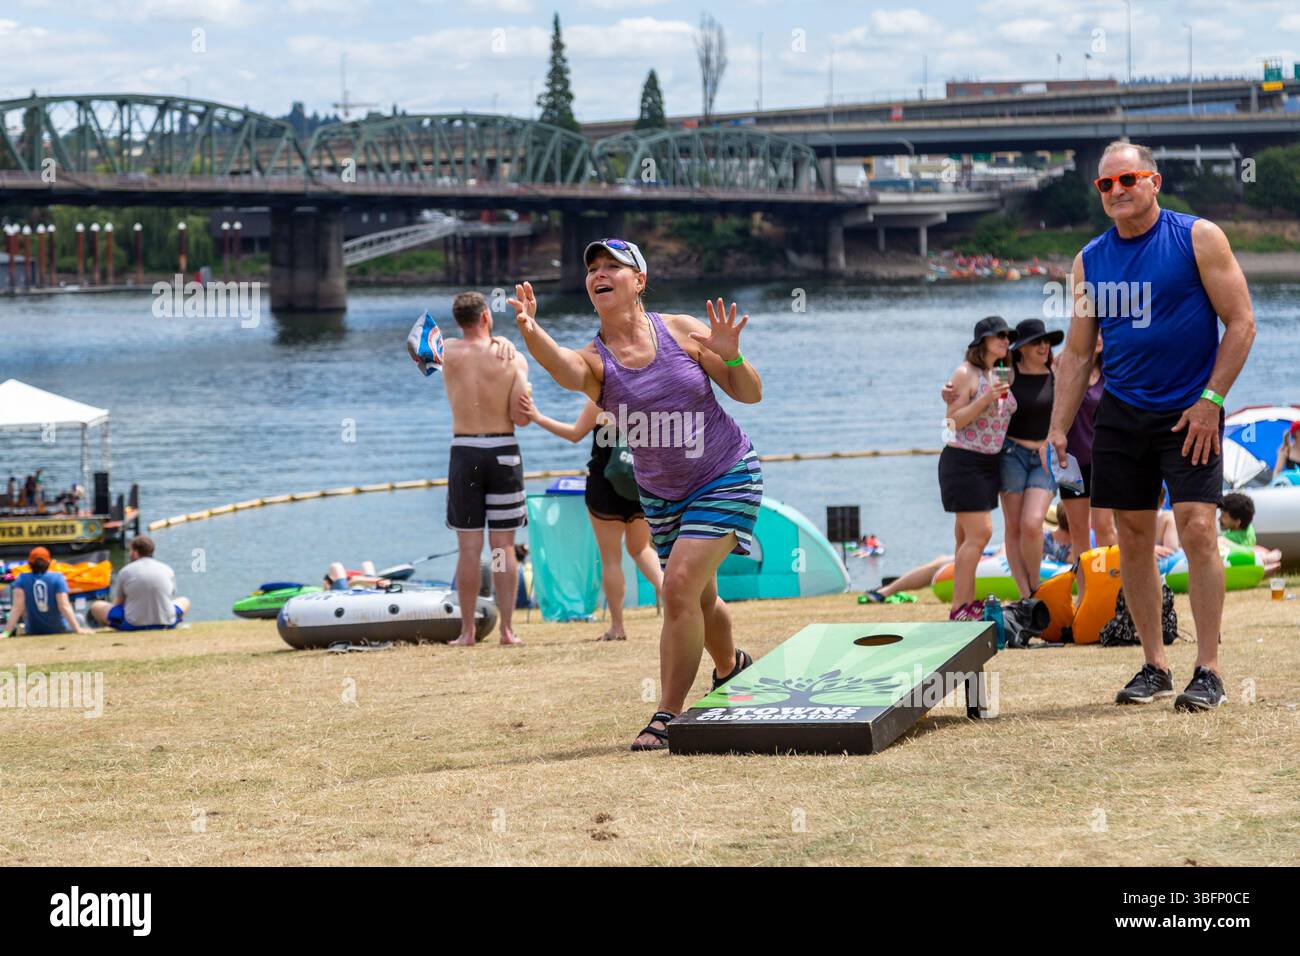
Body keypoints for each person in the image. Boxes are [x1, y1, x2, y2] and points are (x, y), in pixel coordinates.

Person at [509, 238, 763, 751]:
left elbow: (749, 393)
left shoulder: (684, 330)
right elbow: (562, 368)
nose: (599, 274)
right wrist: (533, 332)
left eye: (613, 267)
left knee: (678, 586)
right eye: (593, 269)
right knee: (702, 596)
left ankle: (668, 714)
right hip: (663, 498)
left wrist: (731, 358)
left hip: (726, 472)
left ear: (639, 281)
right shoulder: (597, 361)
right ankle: (730, 667)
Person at [1046, 140, 1256, 712]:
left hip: (1191, 412)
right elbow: (1079, 351)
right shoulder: (1091, 259)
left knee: (1196, 528)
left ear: (1154, 182)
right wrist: (1059, 427)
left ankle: (1207, 669)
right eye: (1105, 185)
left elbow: (1241, 323)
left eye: (1128, 180)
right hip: (1122, 414)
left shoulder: (1198, 237)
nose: (1116, 191)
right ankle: (1154, 664)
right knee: (1132, 539)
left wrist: (1212, 399)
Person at [440, 290, 534, 647]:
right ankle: (508, 630)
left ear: (459, 319)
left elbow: (414, 348)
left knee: (468, 548)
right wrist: (504, 340)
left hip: (465, 450)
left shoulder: (446, 352)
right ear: (485, 318)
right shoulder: (511, 357)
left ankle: (466, 631)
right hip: (503, 450)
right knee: (502, 548)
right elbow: (520, 418)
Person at [528, 397, 664, 640]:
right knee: (642, 549)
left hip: (604, 485)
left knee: (611, 559)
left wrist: (538, 417)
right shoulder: (646, 395)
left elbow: (574, 434)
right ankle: (678, 602)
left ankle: (618, 627)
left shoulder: (602, 398)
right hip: (639, 485)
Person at [938, 316, 1016, 621]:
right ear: (983, 340)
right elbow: (952, 422)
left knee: (964, 537)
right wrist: (986, 397)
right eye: (999, 335)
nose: (1005, 340)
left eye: (1008, 336)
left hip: (989, 461)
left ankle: (966, 603)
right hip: (964, 460)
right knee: (981, 532)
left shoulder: (1000, 372)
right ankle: (960, 608)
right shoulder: (965, 373)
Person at [862, 516, 1073, 603]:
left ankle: (886, 591)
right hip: (999, 560)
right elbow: (1008, 546)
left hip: (1011, 564)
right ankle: (886, 591)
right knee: (941, 561)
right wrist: (997, 559)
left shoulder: (1073, 547)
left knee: (945, 563)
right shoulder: (1043, 534)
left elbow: (1069, 569)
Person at [1000, 318, 1061, 597]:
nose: (1044, 346)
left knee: (1032, 522)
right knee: (1013, 526)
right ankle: (1025, 595)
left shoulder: (1056, 373)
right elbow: (981, 393)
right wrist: (950, 394)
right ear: (1021, 348)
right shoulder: (1008, 374)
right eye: (1037, 341)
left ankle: (1036, 588)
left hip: (1045, 458)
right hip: (1011, 455)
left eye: (1046, 341)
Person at [1056, 335, 1116, 573]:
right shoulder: (1066, 369)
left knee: (1104, 527)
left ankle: (1115, 594)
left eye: (1103, 331)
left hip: (1104, 461)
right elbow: (1060, 361)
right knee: (1078, 533)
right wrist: (1081, 350)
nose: (1099, 336)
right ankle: (1084, 595)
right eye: (1094, 331)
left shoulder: (1111, 371)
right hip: (1070, 463)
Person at [89, 535, 190, 631]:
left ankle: (109, 627)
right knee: (185, 601)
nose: (129, 553)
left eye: (131, 550)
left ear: (135, 553)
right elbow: (170, 597)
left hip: (133, 625)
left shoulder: (125, 571)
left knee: (96, 606)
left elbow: (118, 603)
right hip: (167, 622)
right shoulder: (167, 569)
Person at [2, 546, 90, 636]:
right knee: (79, 617)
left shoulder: (22, 578)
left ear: (29, 563)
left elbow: (17, 608)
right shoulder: (58, 577)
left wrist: (6, 633)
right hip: (59, 628)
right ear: (49, 562)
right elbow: (64, 606)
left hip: (33, 630)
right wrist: (78, 629)